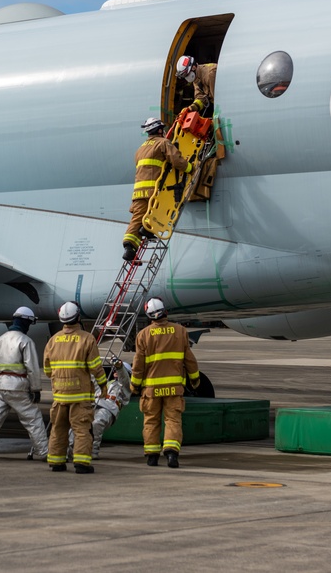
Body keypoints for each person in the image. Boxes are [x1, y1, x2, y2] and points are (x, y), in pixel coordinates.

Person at [130, 297, 201, 468]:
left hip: (151, 389)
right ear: (165, 312)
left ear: (148, 316)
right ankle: (171, 454)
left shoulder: (143, 335)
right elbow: (189, 359)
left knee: (151, 421)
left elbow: (138, 365)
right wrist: (195, 379)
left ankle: (152, 456)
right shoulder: (180, 331)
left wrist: (134, 385)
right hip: (174, 388)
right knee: (173, 421)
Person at [0, 306, 49, 462]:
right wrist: (36, 389)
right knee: (33, 419)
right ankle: (44, 452)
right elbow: (32, 368)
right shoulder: (25, 341)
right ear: (25, 323)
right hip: (18, 386)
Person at [42, 301, 107, 473]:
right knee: (81, 429)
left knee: (58, 428)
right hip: (80, 395)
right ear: (78, 317)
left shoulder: (53, 340)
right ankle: (81, 463)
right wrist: (104, 385)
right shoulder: (87, 338)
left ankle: (56, 462)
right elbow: (95, 367)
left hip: (60, 395)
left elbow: (48, 370)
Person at [122, 117, 192, 261]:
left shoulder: (140, 149)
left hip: (138, 191)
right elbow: (176, 160)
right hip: (154, 190)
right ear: (159, 130)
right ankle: (148, 229)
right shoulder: (163, 143)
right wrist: (191, 168)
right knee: (159, 209)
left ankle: (129, 248)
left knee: (137, 218)